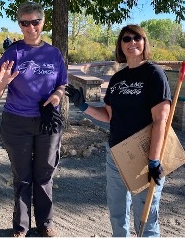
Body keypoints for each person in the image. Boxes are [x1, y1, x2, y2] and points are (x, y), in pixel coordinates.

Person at [65, 24, 171, 237]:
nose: (132, 42)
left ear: (144, 42)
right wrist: (84, 106)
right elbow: (108, 116)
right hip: (115, 153)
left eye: (136, 38)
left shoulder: (154, 74)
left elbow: (161, 120)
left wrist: (154, 160)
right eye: (126, 39)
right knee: (117, 212)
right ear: (120, 46)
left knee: (146, 218)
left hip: (143, 155)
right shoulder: (117, 79)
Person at [0, 1, 68, 237]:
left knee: (44, 175)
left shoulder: (53, 53)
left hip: (47, 122)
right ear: (20, 25)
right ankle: (21, 227)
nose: (31, 27)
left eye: (35, 21)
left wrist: (57, 94)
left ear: (43, 23)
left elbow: (62, 84)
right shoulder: (13, 52)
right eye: (25, 23)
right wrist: (2, 83)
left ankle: (45, 224)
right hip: (17, 122)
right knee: (22, 177)